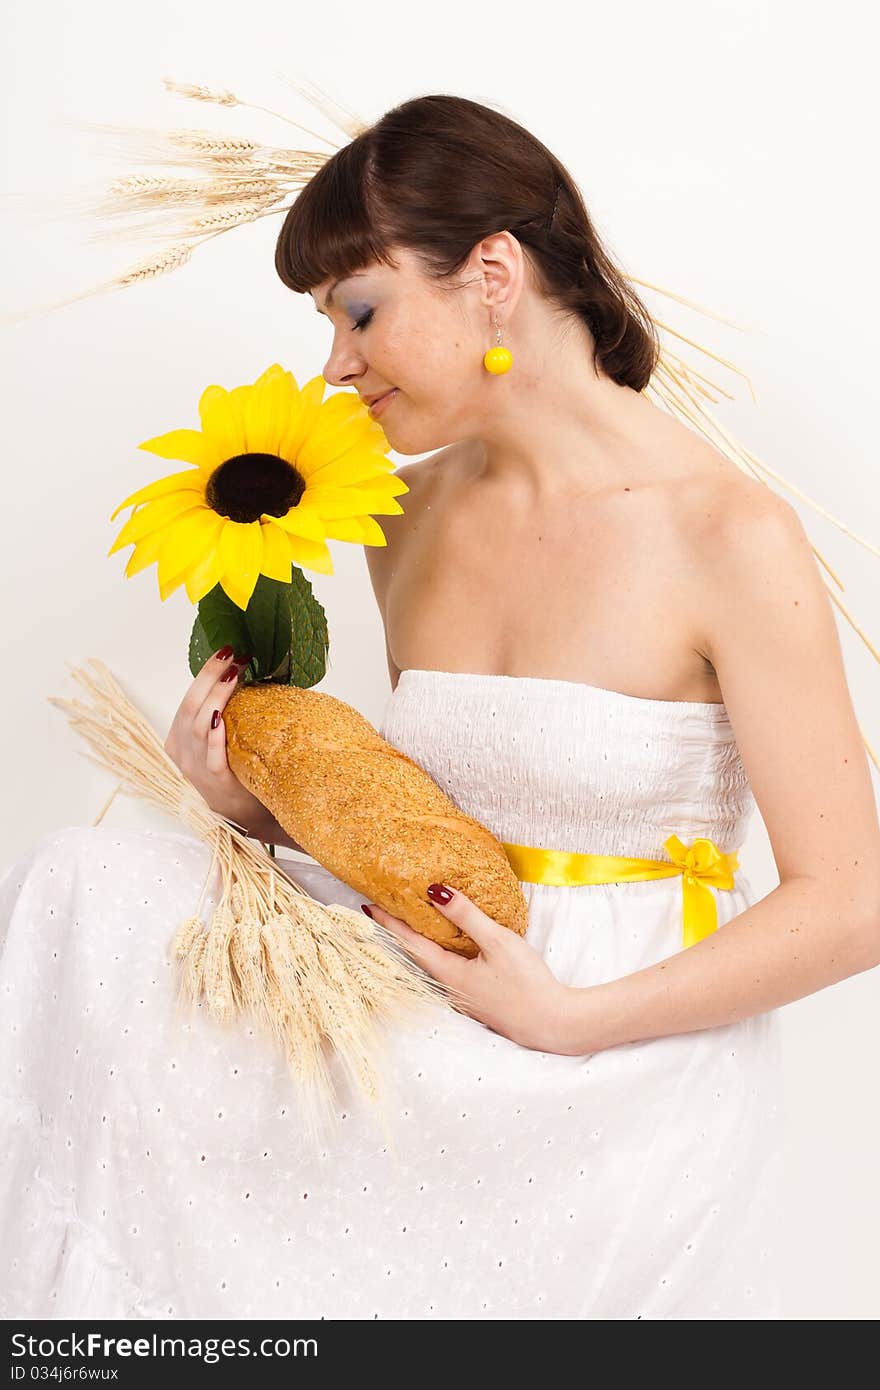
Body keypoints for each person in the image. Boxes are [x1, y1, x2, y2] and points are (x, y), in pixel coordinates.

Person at [2, 93, 879, 1321]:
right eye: (324, 326)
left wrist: (569, 1019)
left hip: (615, 1066)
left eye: (359, 312)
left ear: (493, 275)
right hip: (417, 1009)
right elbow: (432, 842)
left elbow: (850, 902)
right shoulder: (400, 516)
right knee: (84, 889)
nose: (333, 367)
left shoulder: (724, 533)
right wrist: (251, 806)